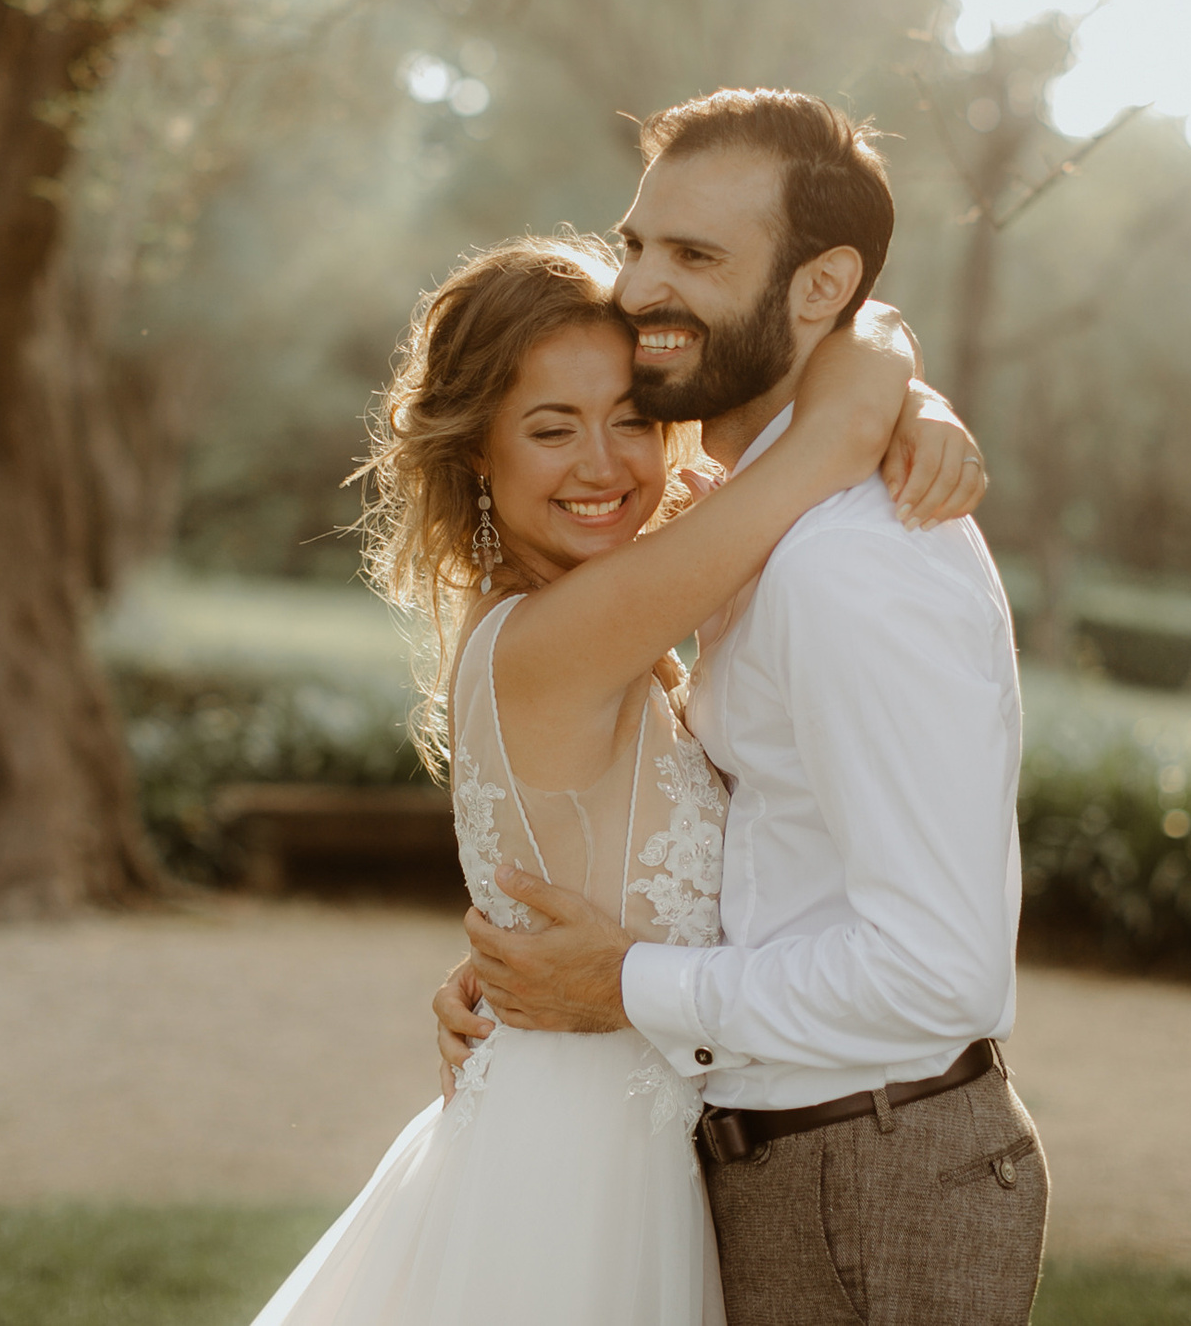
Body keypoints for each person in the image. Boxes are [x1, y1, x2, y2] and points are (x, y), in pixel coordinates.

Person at [250, 225, 986, 1326]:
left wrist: (905, 388)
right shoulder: (558, 636)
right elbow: (828, 429)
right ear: (478, 458)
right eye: (552, 429)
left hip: (624, 1151)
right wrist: (906, 389)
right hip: (566, 1181)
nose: (603, 465)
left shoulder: (593, 622)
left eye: (633, 421)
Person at [436, 90, 1049, 1325]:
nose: (642, 290)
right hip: (746, 1159)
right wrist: (875, 384)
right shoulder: (743, 525)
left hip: (869, 1170)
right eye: (639, 243)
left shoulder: (841, 561)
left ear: (817, 288)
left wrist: (625, 986)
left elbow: (941, 974)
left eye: (696, 257)